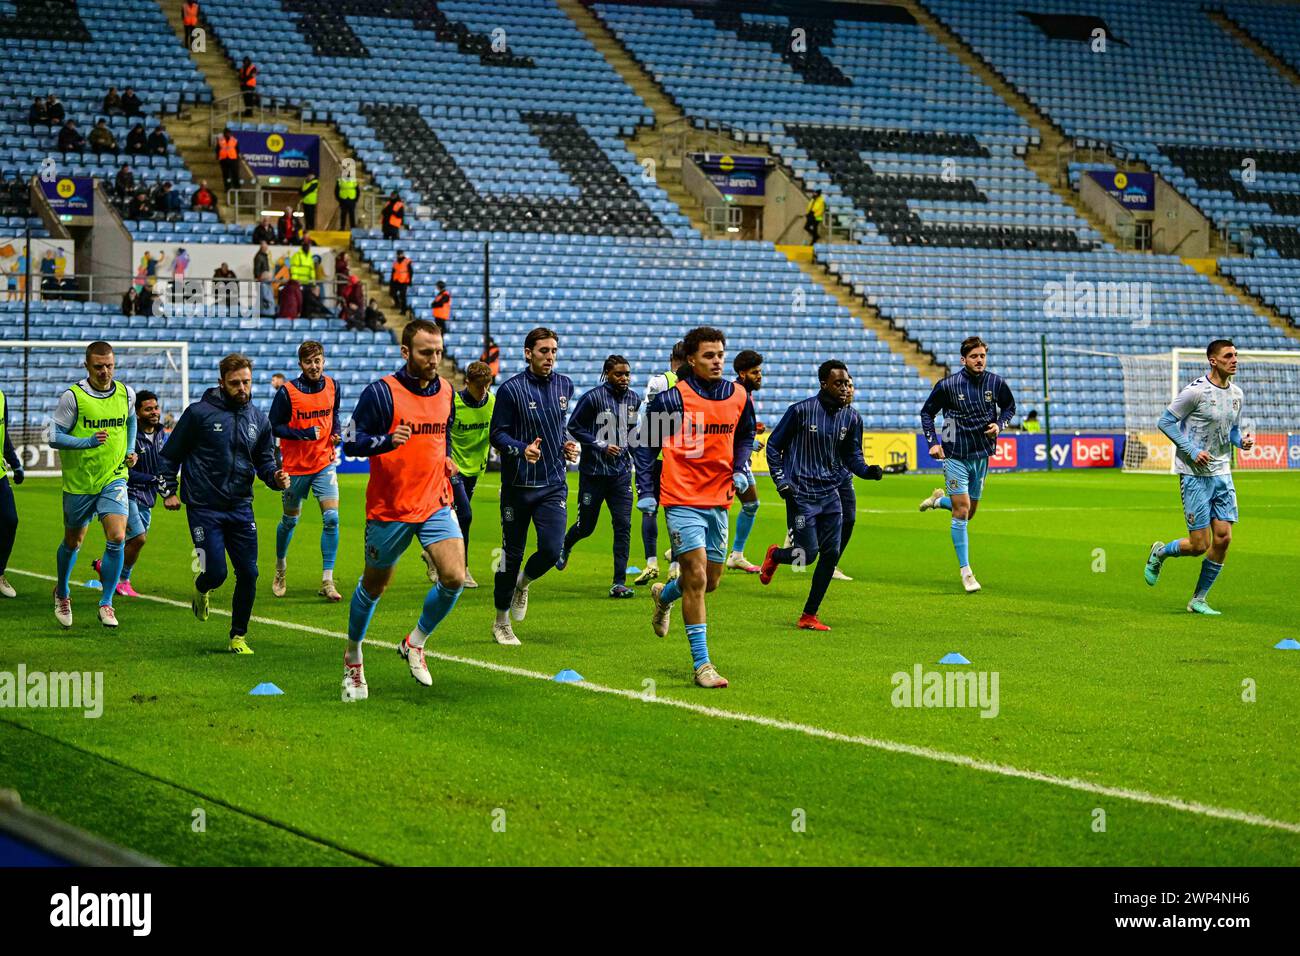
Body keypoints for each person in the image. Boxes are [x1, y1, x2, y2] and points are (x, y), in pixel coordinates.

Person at [339, 319, 465, 701]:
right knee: (374, 587)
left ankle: (415, 641)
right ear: (406, 352)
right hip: (389, 508)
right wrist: (384, 440)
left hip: (434, 501)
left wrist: (445, 461)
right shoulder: (380, 393)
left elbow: (441, 435)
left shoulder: (446, 391)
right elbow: (349, 442)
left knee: (455, 577)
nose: (435, 359)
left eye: (439, 352)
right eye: (427, 352)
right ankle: (353, 656)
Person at [632, 327, 755, 689]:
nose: (717, 361)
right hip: (681, 498)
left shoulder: (739, 396)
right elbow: (644, 444)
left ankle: (664, 595)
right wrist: (647, 491)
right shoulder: (675, 400)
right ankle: (703, 665)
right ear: (691, 360)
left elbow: (746, 433)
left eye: (720, 355)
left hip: (719, 499)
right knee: (697, 577)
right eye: (708, 356)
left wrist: (739, 467)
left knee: (710, 582)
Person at [159, 354, 287, 654]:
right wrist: (168, 491)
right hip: (203, 507)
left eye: (246, 382)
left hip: (241, 507)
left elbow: (265, 462)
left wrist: (275, 478)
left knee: (250, 573)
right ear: (221, 383)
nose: (242, 388)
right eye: (235, 383)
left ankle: (238, 636)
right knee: (216, 573)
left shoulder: (259, 420)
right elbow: (169, 455)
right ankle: (202, 587)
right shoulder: (198, 414)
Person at [758, 361, 883, 631]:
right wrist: (781, 481)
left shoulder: (852, 418)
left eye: (847, 383)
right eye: (838, 383)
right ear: (823, 383)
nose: (844, 388)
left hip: (830, 496)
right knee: (807, 553)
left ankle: (809, 615)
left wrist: (867, 472)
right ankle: (776, 555)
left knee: (831, 553)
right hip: (801, 496)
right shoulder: (800, 412)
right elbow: (774, 446)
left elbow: (853, 455)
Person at [1142, 340, 1252, 615]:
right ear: (1213, 361)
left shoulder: (1237, 394)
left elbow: (1233, 430)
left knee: (1224, 538)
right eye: (1228, 356)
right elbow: (1165, 422)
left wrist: (1241, 442)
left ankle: (1198, 599)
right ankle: (1160, 553)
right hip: (1194, 475)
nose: (1234, 360)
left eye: (1236, 355)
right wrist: (1191, 450)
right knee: (1199, 545)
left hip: (1222, 473)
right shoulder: (1195, 392)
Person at [488, 327, 580, 645]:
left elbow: (559, 427)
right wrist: (521, 448)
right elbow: (497, 435)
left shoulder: (565, 385)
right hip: (517, 486)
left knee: (552, 550)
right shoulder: (511, 390)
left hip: (553, 483)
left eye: (554, 350)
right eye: (543, 351)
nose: (550, 357)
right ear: (528, 353)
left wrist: (567, 444)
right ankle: (500, 622)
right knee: (509, 556)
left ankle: (523, 584)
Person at [47, 342, 138, 630]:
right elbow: (53, 436)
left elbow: (131, 420)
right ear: (87, 366)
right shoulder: (73, 397)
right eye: (98, 366)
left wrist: (131, 449)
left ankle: (106, 602)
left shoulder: (126, 394)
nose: (104, 371)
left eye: (109, 365)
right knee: (74, 541)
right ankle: (62, 591)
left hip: (114, 477)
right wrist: (85, 442)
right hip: (80, 481)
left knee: (117, 536)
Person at [918, 335, 1017, 593]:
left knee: (969, 511)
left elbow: (1009, 407)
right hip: (954, 455)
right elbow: (927, 412)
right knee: (962, 511)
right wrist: (933, 442)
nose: (979, 360)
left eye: (982, 356)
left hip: (981, 455)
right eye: (974, 356)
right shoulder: (948, 386)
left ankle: (938, 501)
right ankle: (966, 572)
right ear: (964, 360)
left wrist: (1000, 424)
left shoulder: (996, 383)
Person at [556, 355, 639, 597]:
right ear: (607, 374)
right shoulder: (593, 398)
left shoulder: (634, 399)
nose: (624, 378)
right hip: (594, 474)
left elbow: (631, 431)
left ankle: (619, 582)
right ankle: (566, 544)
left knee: (623, 525)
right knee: (586, 526)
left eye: (627, 374)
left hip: (621, 474)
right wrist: (601, 444)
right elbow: (574, 426)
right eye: (618, 374)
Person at [270, 341, 342, 602]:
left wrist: (336, 433)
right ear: (301, 364)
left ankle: (327, 579)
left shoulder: (334, 385)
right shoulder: (287, 392)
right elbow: (273, 426)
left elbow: (335, 415)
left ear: (324, 361)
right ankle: (280, 567)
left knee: (332, 518)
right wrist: (302, 434)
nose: (315, 366)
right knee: (289, 521)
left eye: (318, 360)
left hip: (324, 463)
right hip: (295, 467)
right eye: (309, 362)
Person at [93, 391, 166, 597]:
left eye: (156, 408)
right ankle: (123, 579)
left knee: (130, 541)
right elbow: (128, 472)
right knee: (139, 539)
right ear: (137, 412)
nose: (154, 412)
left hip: (149, 496)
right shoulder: (129, 436)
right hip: (128, 492)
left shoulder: (161, 433)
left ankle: (104, 566)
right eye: (148, 409)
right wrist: (153, 479)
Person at [632, 340, 686, 586]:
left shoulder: (658, 381)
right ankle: (675, 566)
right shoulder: (697, 386)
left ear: (671, 359)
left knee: (649, 508)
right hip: (681, 458)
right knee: (676, 512)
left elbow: (648, 420)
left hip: (655, 456)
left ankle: (651, 563)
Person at [440, 360, 494, 589]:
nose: (483, 391)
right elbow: (444, 433)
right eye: (478, 386)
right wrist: (447, 458)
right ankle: (462, 568)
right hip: (455, 468)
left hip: (475, 468)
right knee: (466, 516)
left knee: (455, 517)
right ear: (467, 382)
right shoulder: (453, 403)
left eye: (487, 385)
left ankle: (434, 555)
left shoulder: (492, 401)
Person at [725, 349, 764, 573]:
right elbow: (726, 430)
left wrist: (752, 435)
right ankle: (682, 550)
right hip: (729, 459)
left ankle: (737, 555)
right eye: (754, 372)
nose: (759, 376)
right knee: (714, 506)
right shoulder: (736, 393)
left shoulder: (744, 392)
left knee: (751, 504)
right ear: (742, 373)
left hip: (738, 458)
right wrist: (748, 444)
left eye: (760, 372)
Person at [0, 384, 24, 599]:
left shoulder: (0, 396)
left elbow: (3, 432)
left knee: (9, 520)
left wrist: (15, 463)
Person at [216, 128, 240, 194]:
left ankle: (237, 188)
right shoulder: (220, 140)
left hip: (233, 159)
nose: (227, 134)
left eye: (228, 133)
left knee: (235, 175)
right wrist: (218, 157)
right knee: (226, 175)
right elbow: (217, 149)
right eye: (226, 133)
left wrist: (237, 158)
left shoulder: (234, 140)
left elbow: (237, 150)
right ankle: (227, 189)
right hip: (223, 160)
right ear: (224, 134)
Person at [253, 241, 274, 317]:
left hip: (264, 280)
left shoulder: (264, 256)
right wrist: (260, 277)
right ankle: (262, 314)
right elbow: (257, 270)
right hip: (262, 281)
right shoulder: (259, 257)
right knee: (262, 299)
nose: (266, 248)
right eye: (264, 247)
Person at [389, 249, 412, 315]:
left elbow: (411, 272)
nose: (399, 255)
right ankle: (397, 304)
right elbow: (393, 272)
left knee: (403, 296)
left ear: (403, 254)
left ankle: (403, 310)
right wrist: (391, 281)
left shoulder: (407, 261)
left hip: (404, 281)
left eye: (400, 254)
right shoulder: (395, 262)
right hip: (396, 280)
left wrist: (410, 281)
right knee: (392, 293)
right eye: (398, 254)